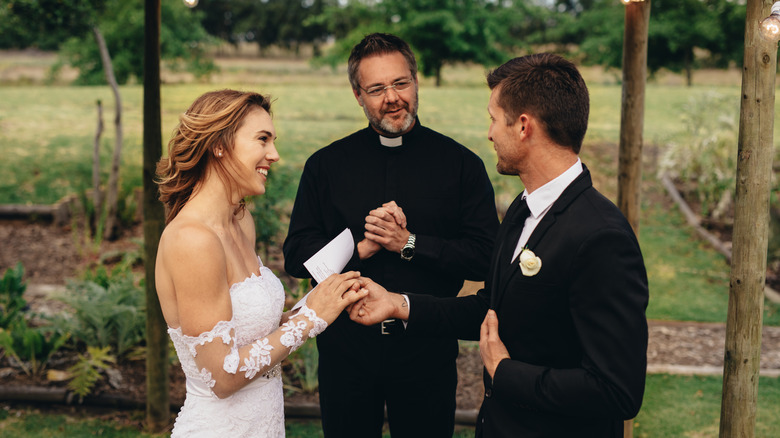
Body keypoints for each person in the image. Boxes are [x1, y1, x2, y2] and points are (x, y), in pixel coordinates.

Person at [350, 53, 649, 438]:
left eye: (493, 119)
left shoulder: (601, 237)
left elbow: (617, 391)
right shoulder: (522, 210)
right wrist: (398, 304)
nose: (489, 133)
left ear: (523, 126)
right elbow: (491, 309)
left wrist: (506, 373)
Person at [282, 33, 499, 437]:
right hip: (345, 352)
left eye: (400, 83)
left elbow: (487, 257)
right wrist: (361, 245)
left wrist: (409, 244)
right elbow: (297, 256)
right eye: (377, 89)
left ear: (416, 82)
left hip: (426, 346)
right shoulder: (325, 166)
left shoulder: (461, 166)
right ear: (357, 95)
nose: (392, 98)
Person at [154, 89, 367, 437]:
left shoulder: (241, 221)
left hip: (265, 423)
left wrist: (322, 302)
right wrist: (312, 319)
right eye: (262, 140)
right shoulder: (193, 240)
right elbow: (222, 376)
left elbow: (254, 336)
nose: (275, 154)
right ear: (219, 145)